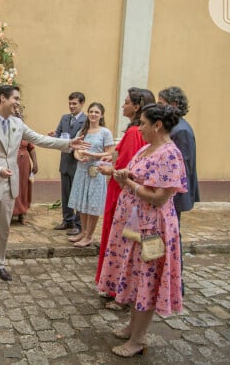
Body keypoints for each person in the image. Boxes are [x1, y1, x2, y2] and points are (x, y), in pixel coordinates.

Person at [0, 85, 90, 302]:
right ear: (2, 98)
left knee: (3, 230)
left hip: (9, 186)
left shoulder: (17, 123)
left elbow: (41, 139)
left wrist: (68, 143)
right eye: (15, 98)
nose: (17, 102)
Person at [97, 103, 187, 358]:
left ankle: (138, 339)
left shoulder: (170, 154)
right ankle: (132, 327)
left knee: (147, 280)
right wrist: (121, 174)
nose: (140, 128)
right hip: (135, 225)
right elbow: (137, 177)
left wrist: (130, 184)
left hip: (152, 230)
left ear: (157, 125)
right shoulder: (148, 148)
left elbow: (159, 197)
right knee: (136, 276)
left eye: (144, 123)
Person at [96, 88, 155, 304]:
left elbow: (124, 167)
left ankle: (114, 286)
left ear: (137, 106)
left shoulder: (133, 133)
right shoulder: (138, 132)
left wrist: (108, 169)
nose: (123, 106)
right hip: (131, 192)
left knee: (118, 241)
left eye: (127, 102)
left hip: (121, 190)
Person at [158, 86, 200, 296]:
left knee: (172, 239)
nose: (159, 107)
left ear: (173, 105)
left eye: (161, 103)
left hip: (174, 196)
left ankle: (175, 285)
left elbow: (182, 166)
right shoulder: (175, 127)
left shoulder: (181, 130)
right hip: (169, 194)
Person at [67, 102, 114, 247]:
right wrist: (78, 156)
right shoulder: (82, 131)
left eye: (96, 112)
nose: (93, 114)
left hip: (95, 172)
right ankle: (83, 231)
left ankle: (89, 236)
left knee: (93, 205)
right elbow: (75, 150)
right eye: (91, 111)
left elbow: (110, 153)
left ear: (101, 115)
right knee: (82, 203)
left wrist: (91, 154)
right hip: (81, 171)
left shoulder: (105, 132)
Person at [49, 92, 87, 236]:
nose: (71, 106)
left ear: (82, 104)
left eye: (74, 104)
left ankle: (78, 224)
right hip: (64, 161)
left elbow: (84, 140)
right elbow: (59, 135)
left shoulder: (86, 120)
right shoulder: (64, 118)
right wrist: (54, 136)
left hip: (77, 162)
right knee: (65, 193)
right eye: (70, 103)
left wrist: (71, 146)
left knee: (76, 194)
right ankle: (67, 220)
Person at [12, 106, 38, 225]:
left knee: (24, 187)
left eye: (19, 114)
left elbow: (31, 148)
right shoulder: (7, 129)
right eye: (15, 113)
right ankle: (11, 212)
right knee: (13, 186)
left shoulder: (25, 130)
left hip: (24, 163)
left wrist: (35, 164)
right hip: (12, 162)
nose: (18, 115)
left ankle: (23, 213)